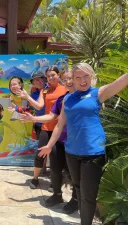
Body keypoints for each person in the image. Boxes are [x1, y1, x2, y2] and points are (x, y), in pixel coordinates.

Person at [38, 63, 128, 225]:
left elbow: (120, 82)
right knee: (78, 189)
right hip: (71, 152)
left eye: (85, 76)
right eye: (78, 77)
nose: (82, 80)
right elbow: (59, 125)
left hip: (93, 153)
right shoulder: (68, 99)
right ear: (72, 80)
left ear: (91, 76)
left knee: (88, 195)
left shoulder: (97, 93)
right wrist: (50, 145)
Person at [20, 71, 78, 214]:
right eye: (66, 79)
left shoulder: (81, 97)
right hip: (57, 135)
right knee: (55, 167)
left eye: (71, 78)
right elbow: (51, 115)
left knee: (73, 171)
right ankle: (57, 195)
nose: (68, 81)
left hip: (74, 139)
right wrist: (32, 119)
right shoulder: (61, 99)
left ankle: (76, 200)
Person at [17, 66, 67, 189]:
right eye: (49, 76)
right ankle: (35, 179)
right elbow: (39, 107)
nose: (50, 78)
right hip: (46, 126)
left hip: (61, 129)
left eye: (52, 75)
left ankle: (54, 183)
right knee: (40, 154)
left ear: (58, 75)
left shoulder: (65, 89)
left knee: (56, 158)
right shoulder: (44, 91)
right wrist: (27, 97)